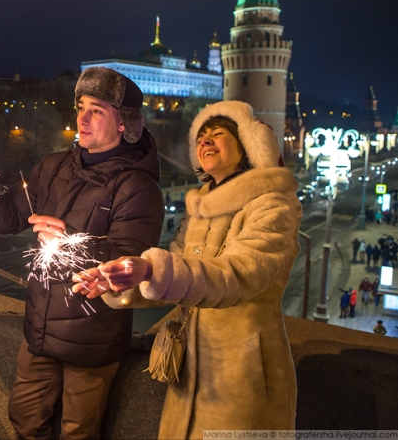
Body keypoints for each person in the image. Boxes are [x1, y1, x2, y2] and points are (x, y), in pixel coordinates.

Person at [0, 67, 163, 438]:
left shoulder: (139, 187)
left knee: (77, 433)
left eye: (97, 110)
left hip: (93, 339)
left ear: (124, 124)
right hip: (39, 331)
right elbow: (14, 215)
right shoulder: (52, 167)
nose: (82, 119)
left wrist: (71, 240)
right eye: (80, 106)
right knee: (24, 419)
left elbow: (131, 259)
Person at [74, 100, 301, 437]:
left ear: (249, 146)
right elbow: (174, 278)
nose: (205, 141)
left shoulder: (272, 205)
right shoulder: (202, 208)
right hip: (188, 370)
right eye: (201, 136)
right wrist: (118, 281)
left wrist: (151, 269)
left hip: (243, 375)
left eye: (218, 134)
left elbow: (238, 275)